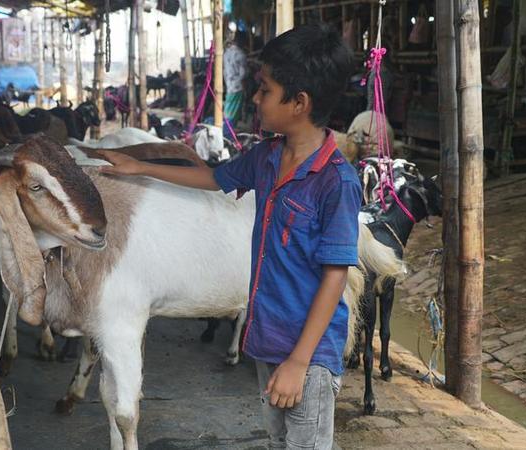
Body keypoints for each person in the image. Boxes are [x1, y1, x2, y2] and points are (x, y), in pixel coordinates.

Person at [99, 23, 359, 449]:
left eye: (265, 89)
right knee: (278, 442)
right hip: (267, 339)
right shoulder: (267, 156)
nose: (255, 98)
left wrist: (298, 361)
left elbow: (335, 277)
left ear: (299, 103)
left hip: (308, 355)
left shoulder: (336, 183)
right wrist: (139, 168)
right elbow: (214, 177)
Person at [223, 32, 247, 131]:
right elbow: (243, 74)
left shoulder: (226, 53)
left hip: (229, 84)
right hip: (237, 86)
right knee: (233, 112)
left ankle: (227, 130)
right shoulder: (241, 55)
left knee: (228, 109)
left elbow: (224, 70)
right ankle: (228, 131)